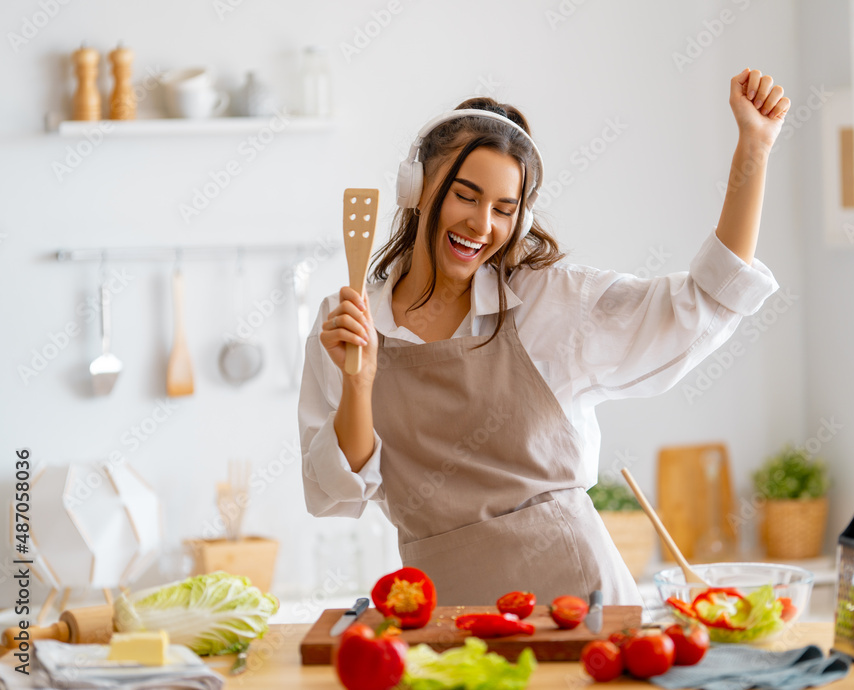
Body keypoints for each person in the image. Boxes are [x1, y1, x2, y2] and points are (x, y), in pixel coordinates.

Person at [300, 68, 788, 606]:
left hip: (581, 604)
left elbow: (700, 304)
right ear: (414, 188)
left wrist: (754, 149)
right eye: (466, 195)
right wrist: (358, 384)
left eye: (504, 210)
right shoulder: (347, 321)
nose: (482, 225)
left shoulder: (551, 304)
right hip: (447, 616)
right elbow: (336, 494)